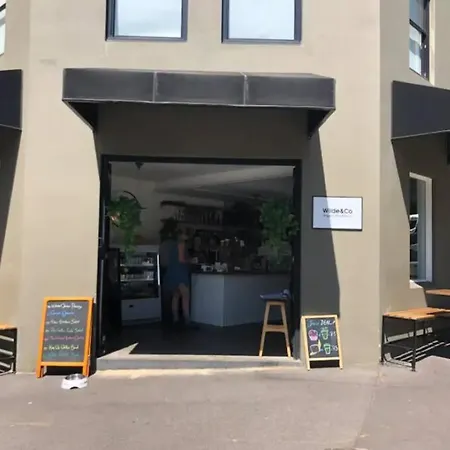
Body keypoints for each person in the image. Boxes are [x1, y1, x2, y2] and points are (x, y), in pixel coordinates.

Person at [163, 228, 191, 327]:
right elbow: (181, 260)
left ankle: (175, 318)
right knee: (185, 296)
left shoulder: (173, 245)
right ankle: (187, 319)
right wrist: (191, 260)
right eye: (185, 234)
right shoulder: (181, 244)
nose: (187, 236)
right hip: (180, 273)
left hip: (172, 273)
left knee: (176, 296)